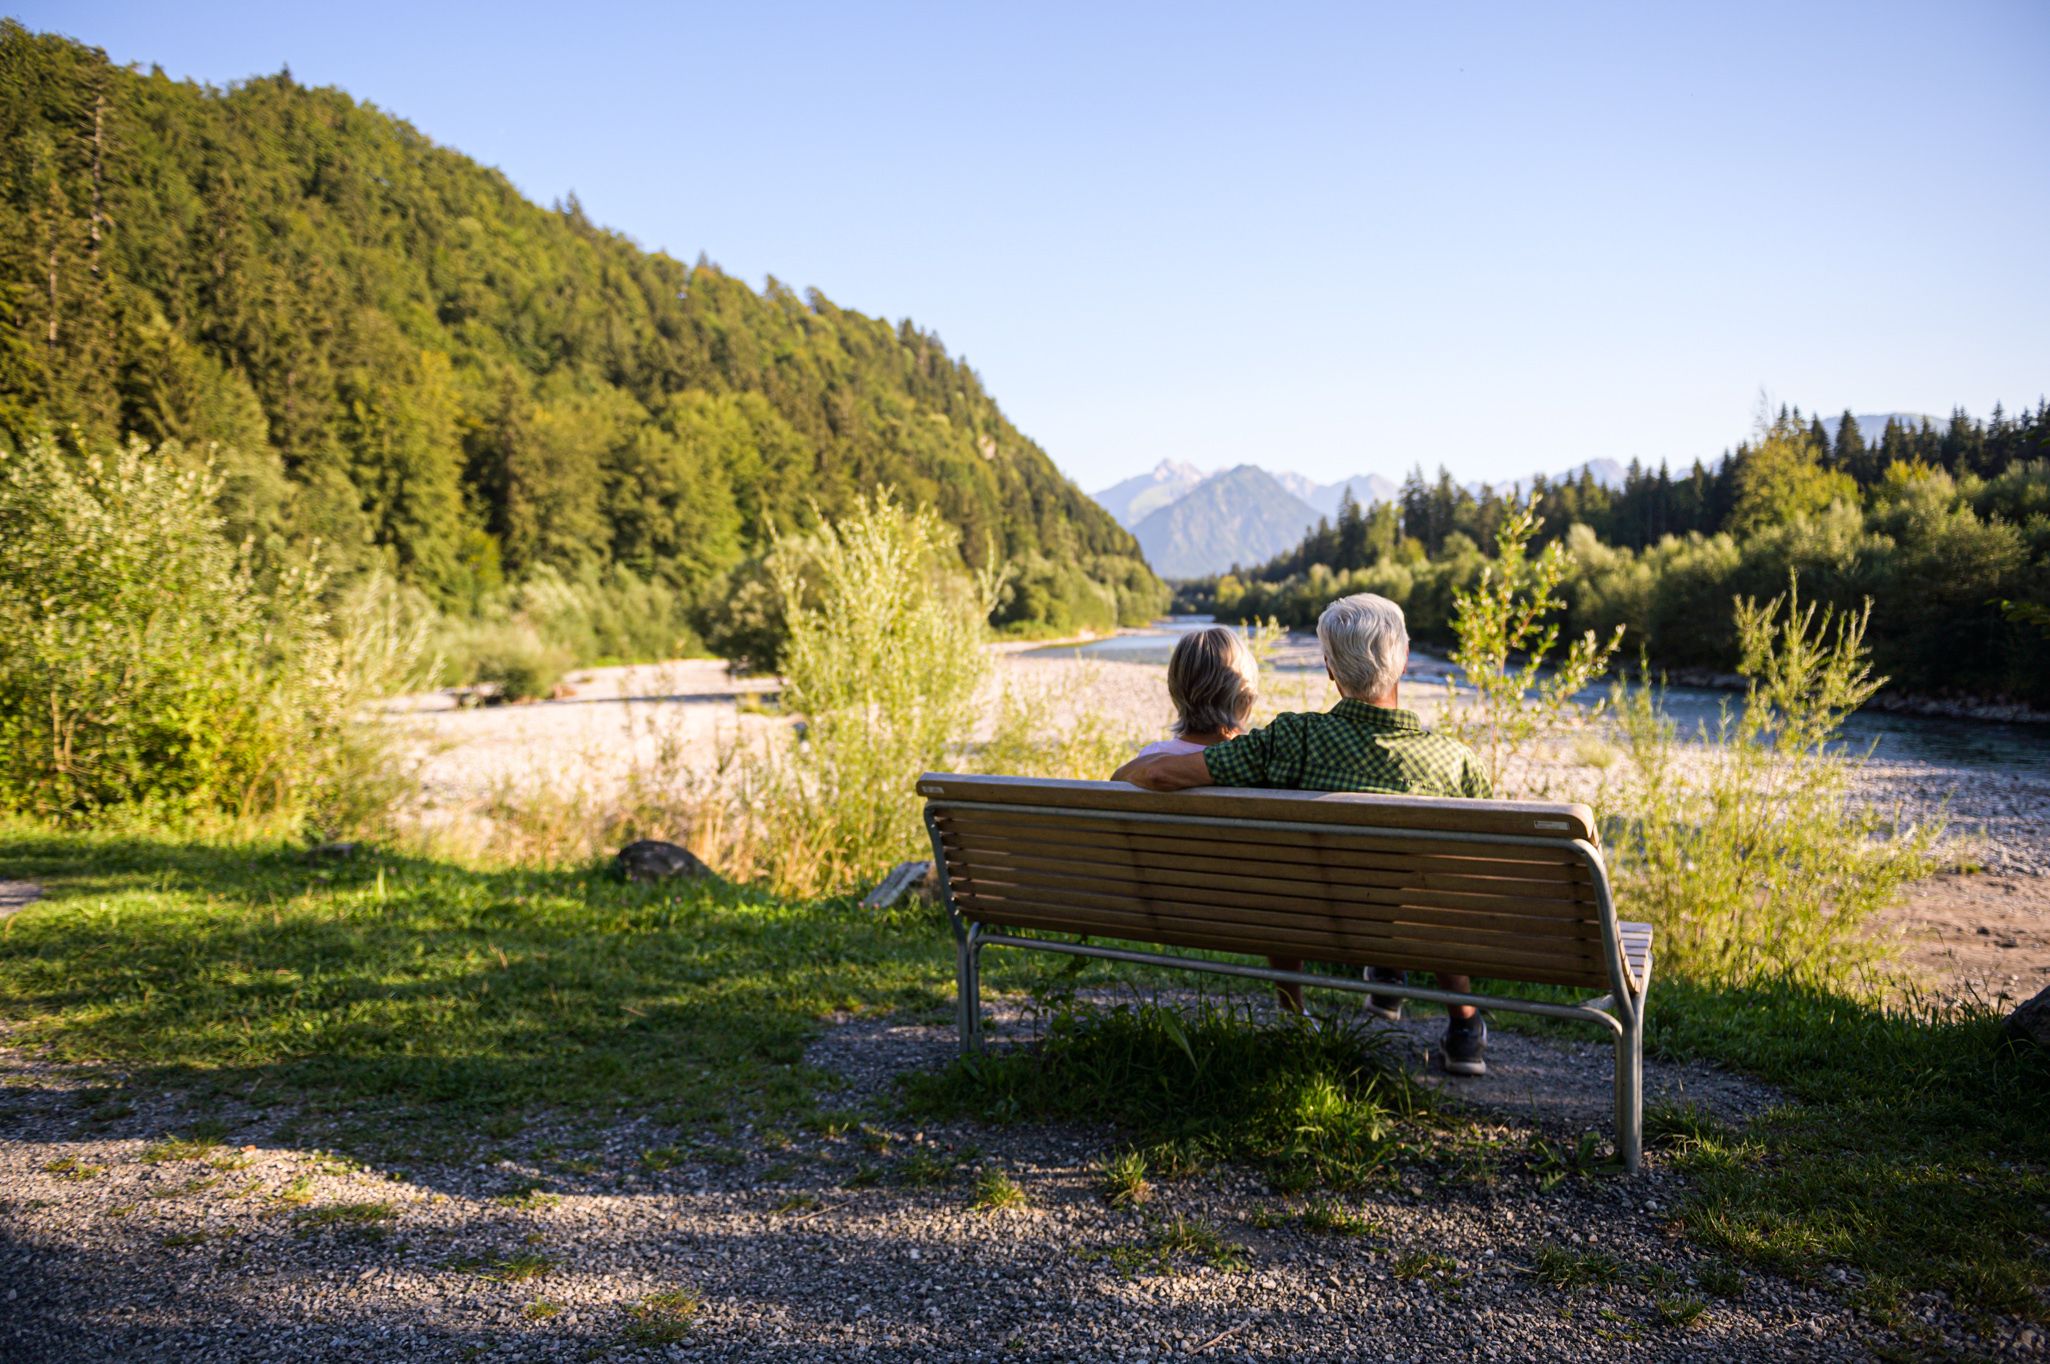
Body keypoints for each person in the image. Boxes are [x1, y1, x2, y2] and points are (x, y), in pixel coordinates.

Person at [1113, 593, 1495, 1076]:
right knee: (1434, 894)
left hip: (1310, 916)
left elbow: (1166, 774)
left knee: (1293, 881)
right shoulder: (1461, 765)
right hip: (1414, 922)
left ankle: (1380, 976)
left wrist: (1132, 768)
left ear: (1330, 670)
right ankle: (1464, 1028)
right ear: (1404, 661)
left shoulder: (1294, 740)